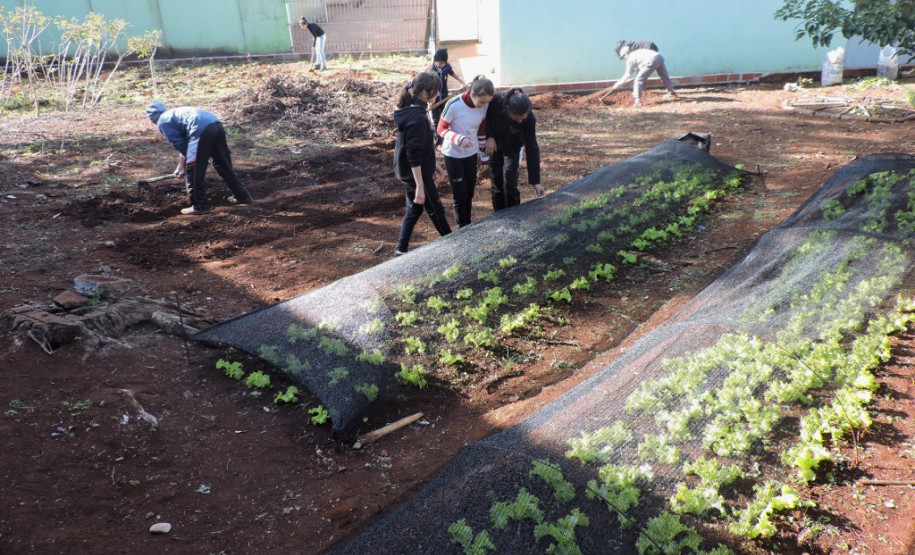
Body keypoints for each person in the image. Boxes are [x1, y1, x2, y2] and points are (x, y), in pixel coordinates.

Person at [145, 101, 253, 215]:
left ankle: (200, 206)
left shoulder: (162, 122)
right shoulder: (173, 114)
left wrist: (194, 163)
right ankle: (243, 196)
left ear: (152, 119)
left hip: (200, 129)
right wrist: (181, 166)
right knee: (223, 164)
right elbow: (187, 144)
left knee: (193, 170)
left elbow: (181, 145)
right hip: (215, 124)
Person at [393, 72, 452, 254]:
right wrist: (420, 185)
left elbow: (422, 146)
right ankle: (454, 243)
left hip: (409, 170)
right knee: (436, 209)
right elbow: (413, 154)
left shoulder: (413, 110)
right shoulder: (417, 117)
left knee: (415, 208)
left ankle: (400, 250)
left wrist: (434, 164)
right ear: (426, 93)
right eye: (436, 91)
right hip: (416, 175)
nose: (438, 94)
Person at [437, 75, 494, 227]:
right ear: (472, 94)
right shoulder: (454, 105)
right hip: (453, 154)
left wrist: (484, 156)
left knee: (469, 193)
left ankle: (467, 224)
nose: (484, 106)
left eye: (486, 102)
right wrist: (458, 138)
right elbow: (441, 129)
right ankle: (462, 227)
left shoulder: (485, 106)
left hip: (471, 153)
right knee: (460, 196)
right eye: (481, 102)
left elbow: (481, 129)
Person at [483, 87, 544, 211]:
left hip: (513, 146)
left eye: (523, 118)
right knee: (497, 183)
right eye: (517, 119)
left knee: (510, 183)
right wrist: (489, 136)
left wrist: (535, 181)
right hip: (495, 144)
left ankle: (515, 215)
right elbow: (484, 116)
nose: (520, 121)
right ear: (507, 110)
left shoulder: (529, 119)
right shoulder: (495, 102)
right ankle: (499, 216)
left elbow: (532, 146)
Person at [608, 45, 678, 107]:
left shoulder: (630, 58)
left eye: (623, 57)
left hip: (652, 60)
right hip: (659, 57)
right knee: (664, 75)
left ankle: (637, 102)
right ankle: (671, 91)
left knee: (638, 80)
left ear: (626, 53)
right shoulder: (636, 53)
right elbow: (638, 68)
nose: (624, 59)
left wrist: (617, 84)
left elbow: (627, 75)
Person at [429, 48, 466, 134]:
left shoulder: (446, 67)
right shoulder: (431, 71)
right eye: (440, 63)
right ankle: (437, 135)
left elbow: (453, 73)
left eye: (444, 63)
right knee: (436, 118)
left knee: (446, 116)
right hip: (434, 99)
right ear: (435, 61)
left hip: (444, 96)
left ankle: (445, 133)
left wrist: (462, 82)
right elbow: (430, 88)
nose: (442, 65)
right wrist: (430, 102)